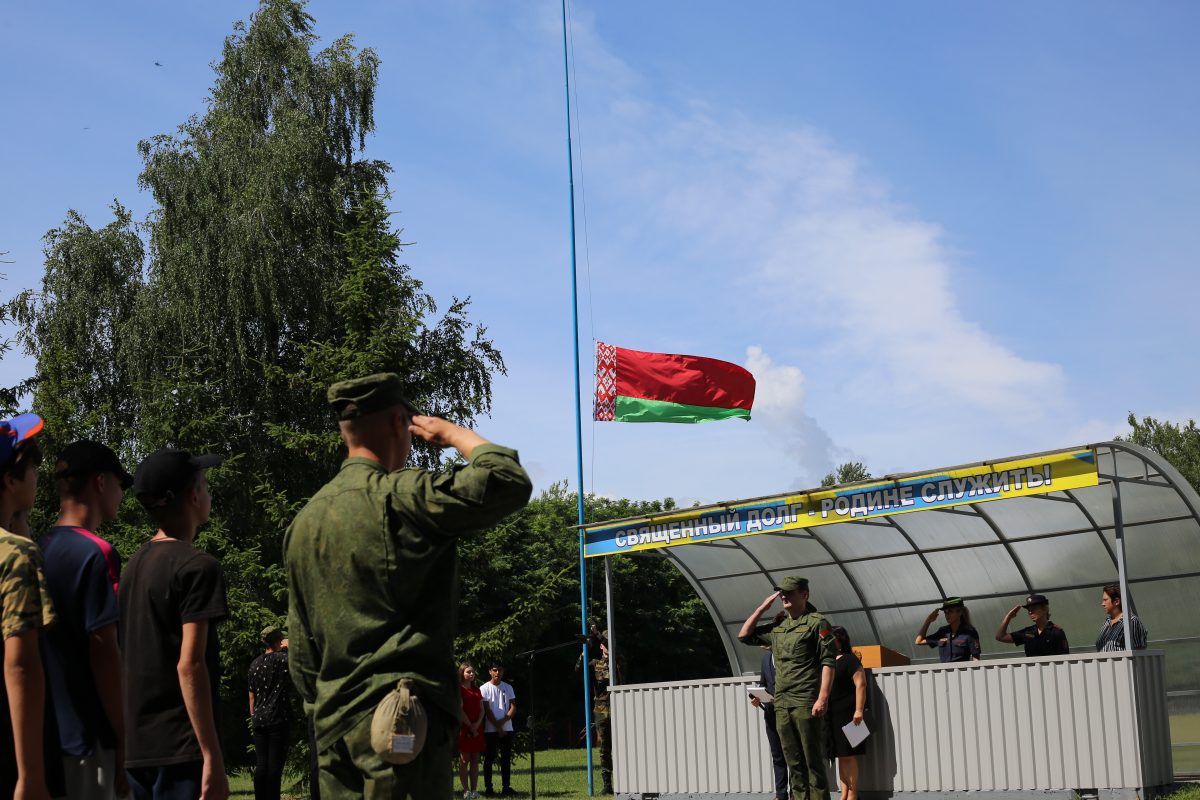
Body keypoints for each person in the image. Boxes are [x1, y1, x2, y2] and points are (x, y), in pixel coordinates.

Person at [285, 373, 532, 799]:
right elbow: (508, 480)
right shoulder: (407, 496)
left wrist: (327, 708)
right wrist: (454, 433)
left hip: (333, 729)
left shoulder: (305, 522)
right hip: (402, 728)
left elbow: (303, 655)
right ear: (402, 423)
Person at [120, 447, 229, 800]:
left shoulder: (134, 565)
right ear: (193, 496)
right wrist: (211, 754)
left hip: (138, 748)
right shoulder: (198, 567)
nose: (209, 493)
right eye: (205, 486)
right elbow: (190, 664)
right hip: (182, 748)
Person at [39, 440, 132, 799]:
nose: (122, 493)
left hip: (47, 735)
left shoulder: (36, 548)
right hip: (91, 738)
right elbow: (104, 652)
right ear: (100, 482)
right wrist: (125, 737)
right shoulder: (97, 553)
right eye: (120, 483)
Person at [0, 413, 64, 799]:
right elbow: (21, 663)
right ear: (10, 480)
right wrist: (31, 775)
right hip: (9, 749)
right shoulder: (16, 555)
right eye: (33, 469)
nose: (39, 478)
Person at [738, 576, 836, 800]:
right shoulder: (778, 627)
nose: (784, 596)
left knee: (812, 761)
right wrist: (762, 607)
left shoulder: (816, 623)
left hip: (805, 700)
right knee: (793, 761)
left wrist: (822, 698)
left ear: (804, 595)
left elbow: (828, 661)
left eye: (789, 592)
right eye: (782, 593)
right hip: (782, 703)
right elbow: (744, 636)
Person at [248, 625, 291, 800]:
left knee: (261, 764)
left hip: (258, 718)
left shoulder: (255, 664)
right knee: (274, 765)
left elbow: (251, 696)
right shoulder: (283, 660)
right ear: (278, 640)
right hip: (277, 718)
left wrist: (254, 714)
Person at [825, 626, 867, 800]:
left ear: (840, 640)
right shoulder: (826, 662)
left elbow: (861, 684)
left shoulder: (850, 660)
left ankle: (853, 793)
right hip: (831, 714)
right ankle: (844, 794)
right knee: (840, 756)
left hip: (849, 713)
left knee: (849, 755)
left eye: (830, 639)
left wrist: (858, 710)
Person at [749, 642, 788, 800]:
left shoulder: (789, 657)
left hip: (788, 712)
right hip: (771, 714)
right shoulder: (766, 659)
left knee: (793, 754)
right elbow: (763, 683)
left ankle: (796, 794)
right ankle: (781, 794)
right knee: (777, 755)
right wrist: (756, 696)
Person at [481, 663, 517, 798]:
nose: (497, 672)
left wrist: (503, 722)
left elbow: (513, 706)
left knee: (506, 758)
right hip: (490, 730)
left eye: (500, 670)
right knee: (489, 758)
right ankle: (488, 788)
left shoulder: (508, 687)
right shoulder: (484, 688)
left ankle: (506, 787)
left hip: (507, 728)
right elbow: (486, 709)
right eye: (495, 670)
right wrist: (497, 726)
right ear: (490, 671)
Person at [995, 593, 1069, 656]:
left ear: (1044, 609)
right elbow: (1000, 637)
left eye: (1034, 608)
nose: (1030, 612)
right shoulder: (1028, 632)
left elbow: (1065, 658)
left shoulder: (1056, 632)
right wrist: (1008, 617)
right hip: (1032, 672)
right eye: (1029, 610)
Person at [915, 597, 981, 662]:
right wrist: (928, 620)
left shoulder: (970, 632)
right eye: (945, 612)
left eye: (950, 611)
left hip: (962, 672)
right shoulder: (943, 631)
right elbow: (918, 641)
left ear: (960, 612)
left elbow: (976, 658)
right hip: (945, 672)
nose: (947, 615)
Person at [457, 663, 485, 800]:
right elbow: (460, 710)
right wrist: (470, 726)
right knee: (464, 760)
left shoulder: (477, 689)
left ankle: (474, 790)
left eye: (473, 672)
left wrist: (477, 725)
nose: (471, 674)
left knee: (475, 759)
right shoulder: (459, 690)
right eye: (468, 672)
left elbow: (482, 710)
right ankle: (466, 790)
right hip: (465, 728)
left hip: (477, 729)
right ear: (462, 673)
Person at [1095, 582, 1148, 652]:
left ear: (1116, 601)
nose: (1102, 604)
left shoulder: (1131, 622)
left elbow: (1139, 652)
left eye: (1105, 600)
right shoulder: (1107, 622)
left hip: (1123, 663)